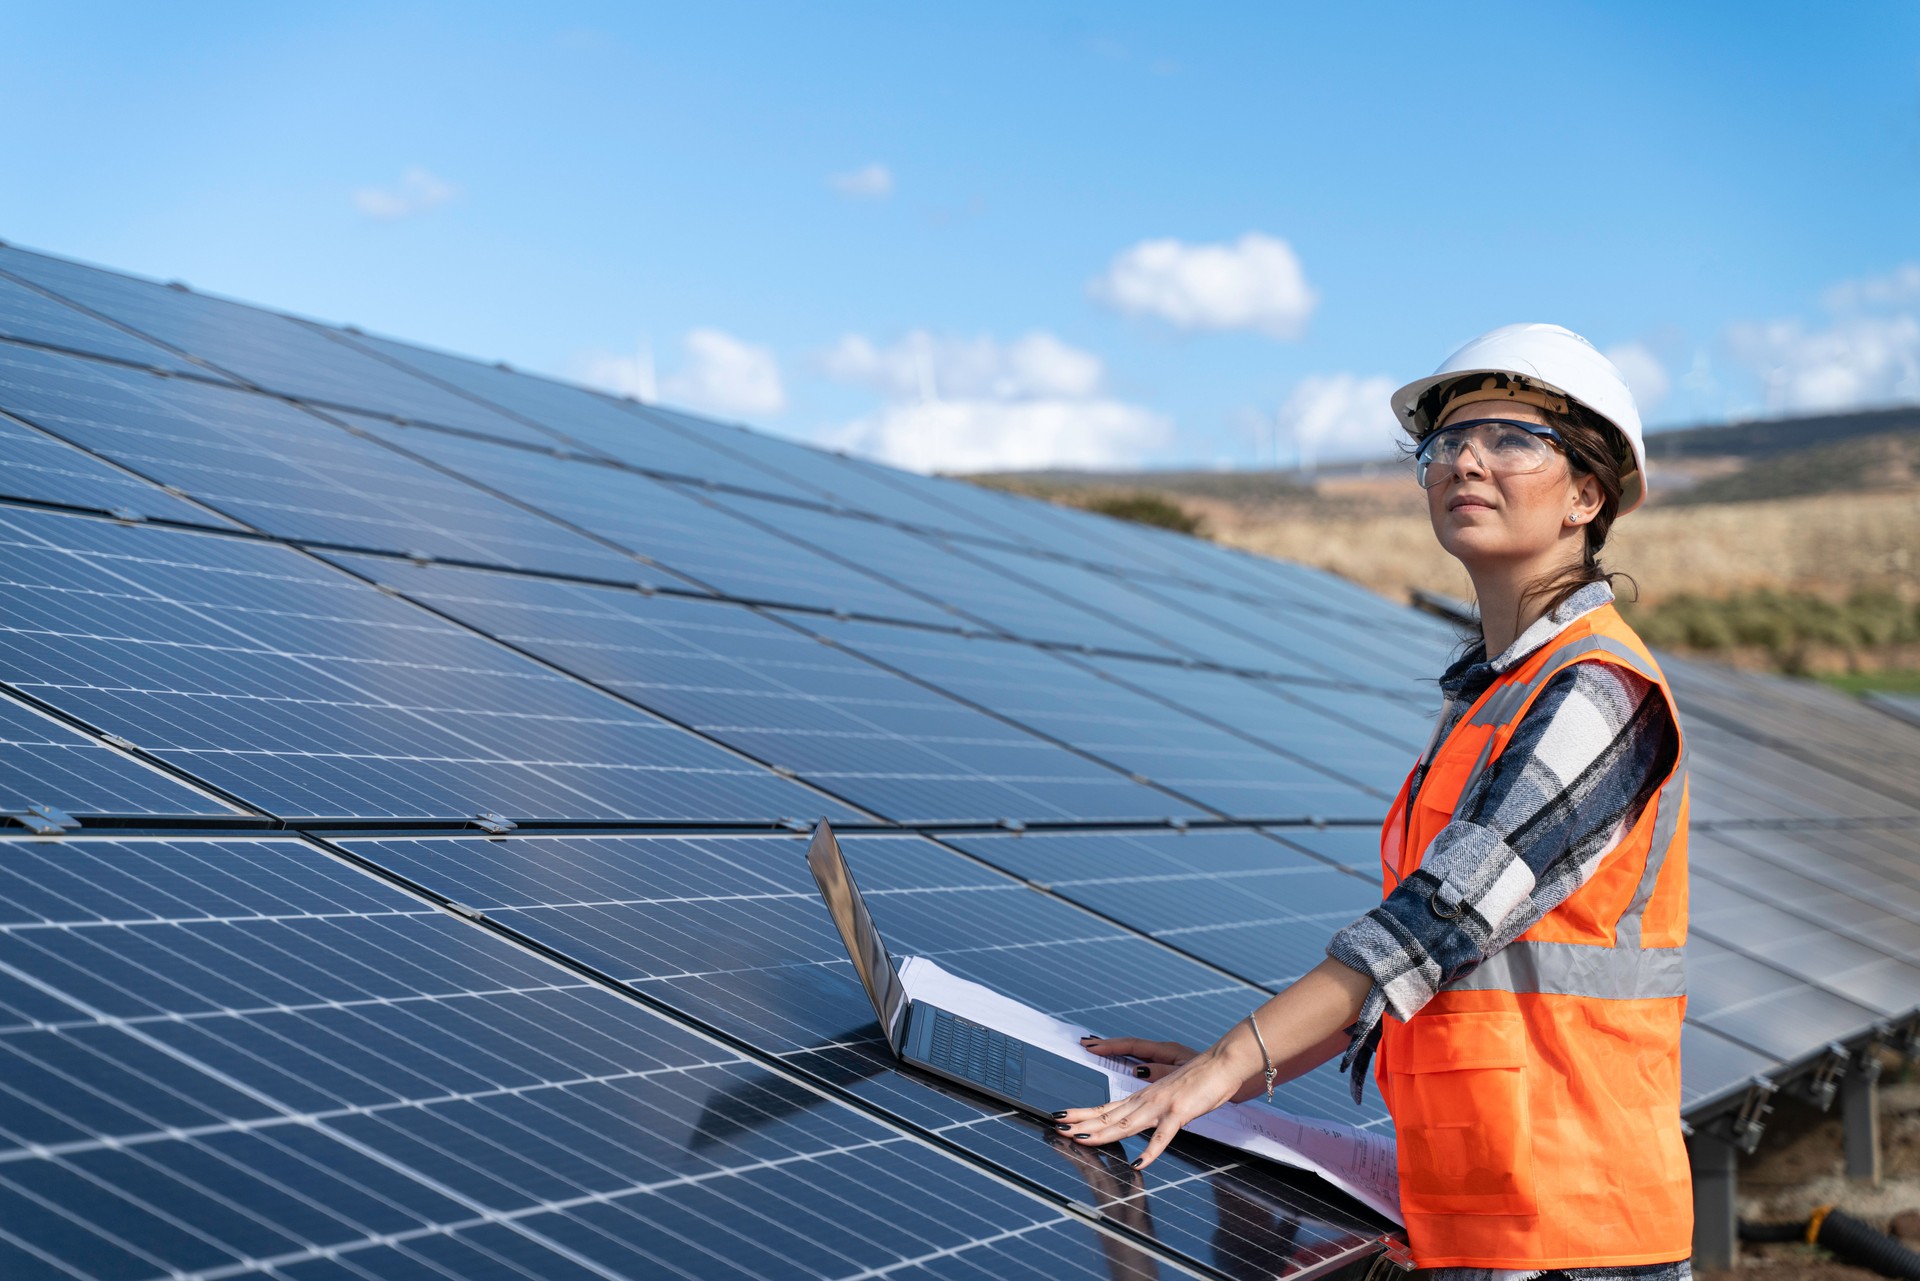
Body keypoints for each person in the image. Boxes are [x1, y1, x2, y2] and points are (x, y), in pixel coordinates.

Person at [1055, 324, 1692, 1278]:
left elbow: (1427, 927)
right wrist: (1231, 1077)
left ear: (1587, 495)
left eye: (1513, 438)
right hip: (1479, 1211)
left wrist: (1227, 1066)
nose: (1466, 460)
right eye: (1447, 444)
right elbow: (1419, 980)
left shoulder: (1601, 694)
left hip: (1572, 1232)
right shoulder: (1491, 688)